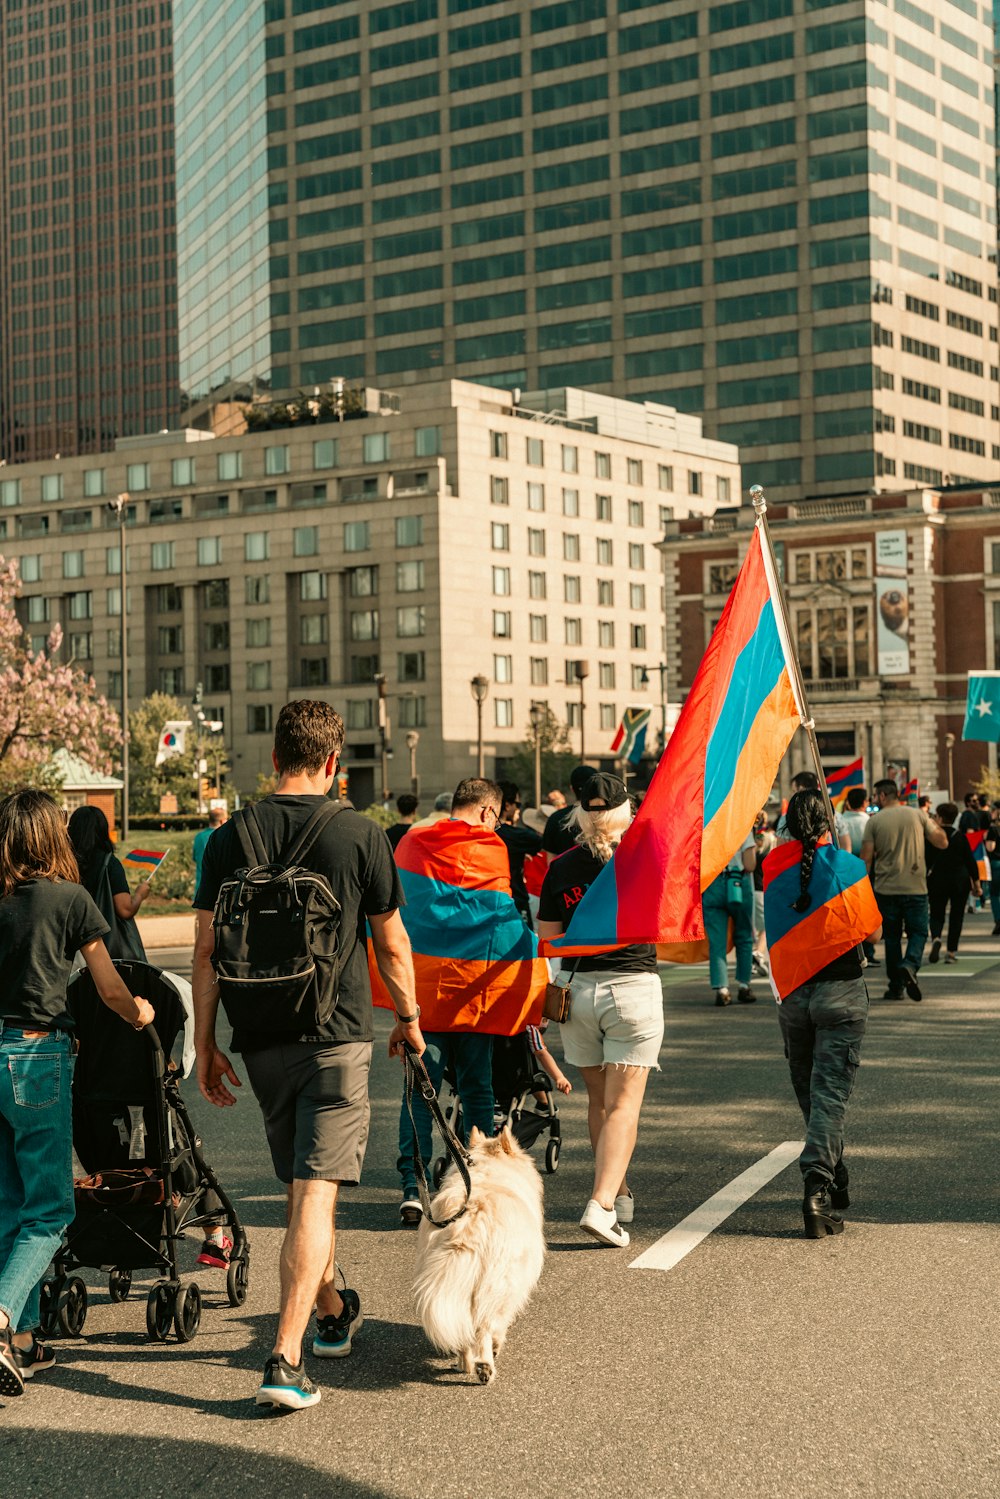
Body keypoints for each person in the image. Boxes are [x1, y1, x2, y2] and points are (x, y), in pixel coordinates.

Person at [192, 699, 425, 1411]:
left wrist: (203, 1042)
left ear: (273, 758)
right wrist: (410, 1019)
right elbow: (390, 942)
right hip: (336, 1035)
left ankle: (331, 1308)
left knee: (302, 1192)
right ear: (335, 762)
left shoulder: (230, 837)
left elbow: (205, 950)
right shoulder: (359, 834)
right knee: (313, 1197)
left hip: (259, 1035)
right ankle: (284, 1359)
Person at [0, 790, 153, 1397]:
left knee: (11, 1204)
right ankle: (3, 1317)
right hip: (35, 1057)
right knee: (51, 1209)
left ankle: (24, 1343)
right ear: (50, 837)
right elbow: (110, 985)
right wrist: (141, 1013)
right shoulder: (72, 900)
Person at [537, 773, 664, 1249]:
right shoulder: (647, 859)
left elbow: (550, 935)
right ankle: (603, 1203)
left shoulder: (563, 866)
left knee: (600, 1103)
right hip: (631, 987)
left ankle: (620, 1190)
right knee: (625, 1105)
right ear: (625, 811)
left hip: (578, 990)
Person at [395, 778, 511, 1225]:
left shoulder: (413, 842)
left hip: (422, 992)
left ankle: (412, 1185)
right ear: (486, 812)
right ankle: (474, 1178)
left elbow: (398, 915)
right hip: (474, 990)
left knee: (419, 1092)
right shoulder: (492, 848)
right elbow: (498, 920)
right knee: (478, 1087)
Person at [766, 791, 880, 1238]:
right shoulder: (848, 868)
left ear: (789, 825)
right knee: (830, 1094)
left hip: (793, 994)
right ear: (828, 824)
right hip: (842, 993)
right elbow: (872, 929)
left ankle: (833, 1168)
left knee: (811, 1093)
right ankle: (817, 1184)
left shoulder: (775, 868)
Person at [861, 778, 947, 1002]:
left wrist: (863, 889)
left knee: (891, 938)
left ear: (882, 796)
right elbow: (942, 842)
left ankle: (895, 986)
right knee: (918, 932)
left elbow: (866, 859)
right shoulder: (917, 815)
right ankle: (910, 964)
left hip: (885, 888)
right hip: (915, 886)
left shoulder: (874, 821)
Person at [67, 805, 149, 961]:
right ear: (102, 830)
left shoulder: (65, 865)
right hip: (103, 947)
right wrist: (140, 894)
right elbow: (125, 909)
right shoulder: (109, 863)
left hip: (71, 946)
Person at [702, 830, 757, 1006]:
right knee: (744, 937)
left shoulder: (707, 825)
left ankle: (722, 989)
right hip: (738, 884)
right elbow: (750, 864)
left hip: (712, 885)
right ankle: (743, 985)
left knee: (717, 942)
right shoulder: (742, 824)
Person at [926, 802, 981, 964]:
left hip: (937, 880)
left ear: (940, 818)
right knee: (957, 916)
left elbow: (926, 860)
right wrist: (977, 885)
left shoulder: (932, 838)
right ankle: (950, 952)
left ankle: (936, 937)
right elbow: (971, 862)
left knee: (936, 913)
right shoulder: (960, 837)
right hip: (960, 881)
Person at [495, 780, 542, 927]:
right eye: (518, 804)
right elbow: (539, 841)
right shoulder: (516, 836)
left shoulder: (486, 833)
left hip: (492, 900)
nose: (518, 809)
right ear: (507, 805)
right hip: (516, 898)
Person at [778, 772, 851, 850]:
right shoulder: (835, 816)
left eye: (793, 790)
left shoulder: (787, 817)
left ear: (801, 788)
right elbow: (846, 847)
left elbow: (780, 848)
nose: (792, 795)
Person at [541, 766, 597, 862]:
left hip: (564, 875)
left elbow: (551, 861)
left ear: (572, 788)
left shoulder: (555, 818)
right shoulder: (604, 817)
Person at [751, 812, 776, 979]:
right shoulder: (768, 839)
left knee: (757, 927)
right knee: (766, 927)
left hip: (750, 888)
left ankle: (756, 958)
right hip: (763, 889)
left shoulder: (750, 839)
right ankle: (758, 953)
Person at [193, 806, 228, 896]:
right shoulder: (225, 837)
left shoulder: (199, 837)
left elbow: (195, 858)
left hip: (201, 888)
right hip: (220, 889)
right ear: (222, 821)